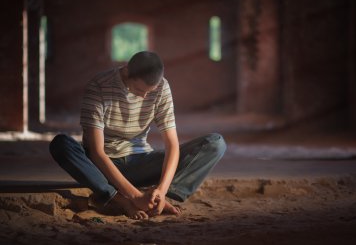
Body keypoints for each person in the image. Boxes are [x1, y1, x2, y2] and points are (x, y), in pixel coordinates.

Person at [49, 51, 226, 220]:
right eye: (139, 90)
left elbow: (172, 145)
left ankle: (159, 200)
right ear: (126, 72)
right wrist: (134, 196)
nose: (144, 96)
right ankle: (120, 199)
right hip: (102, 168)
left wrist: (162, 191)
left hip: (141, 163)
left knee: (215, 143)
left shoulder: (162, 87)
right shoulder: (99, 86)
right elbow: (97, 152)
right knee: (61, 144)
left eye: (150, 91)